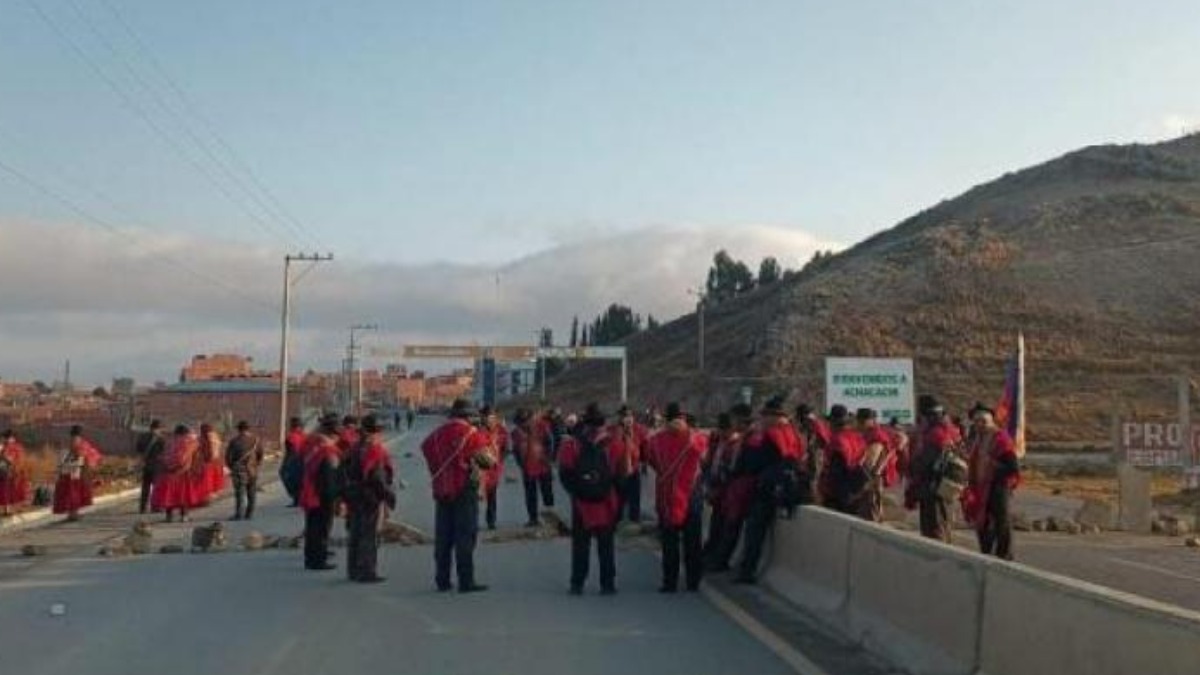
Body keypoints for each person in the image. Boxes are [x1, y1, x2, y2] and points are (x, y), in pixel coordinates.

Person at [421, 399, 494, 593]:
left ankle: (442, 579)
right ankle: (466, 580)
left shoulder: (436, 435)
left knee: (443, 537)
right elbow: (488, 462)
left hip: (441, 490)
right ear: (469, 416)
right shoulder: (471, 434)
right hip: (464, 490)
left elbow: (426, 449)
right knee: (465, 536)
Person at [735, 397, 807, 584]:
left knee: (754, 530)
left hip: (769, 488)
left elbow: (754, 463)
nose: (764, 420)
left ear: (775, 416)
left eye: (766, 416)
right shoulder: (796, 434)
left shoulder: (771, 435)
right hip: (789, 487)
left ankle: (747, 571)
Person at [559, 403, 624, 595]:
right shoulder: (614, 444)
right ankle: (608, 583)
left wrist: (577, 492)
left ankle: (577, 583)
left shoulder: (571, 444)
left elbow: (565, 474)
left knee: (580, 545)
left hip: (581, 503)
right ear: (603, 422)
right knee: (606, 545)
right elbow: (622, 475)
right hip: (606, 501)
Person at [645, 402, 708, 593]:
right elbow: (705, 461)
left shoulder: (655, 441)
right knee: (692, 541)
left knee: (669, 542)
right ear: (684, 417)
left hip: (666, 495)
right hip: (691, 494)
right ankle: (692, 581)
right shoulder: (697, 438)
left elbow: (652, 462)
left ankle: (669, 582)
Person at [962, 406, 1020, 559]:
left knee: (1002, 521)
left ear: (991, 421)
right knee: (982, 523)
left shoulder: (1001, 439)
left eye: (983, 421)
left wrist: (992, 466)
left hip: (998, 486)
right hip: (981, 487)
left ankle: (1005, 556)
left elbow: (1013, 468)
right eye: (977, 422)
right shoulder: (978, 438)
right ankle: (987, 553)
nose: (980, 425)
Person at [344, 415, 396, 582]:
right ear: (376, 431)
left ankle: (353, 570)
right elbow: (377, 477)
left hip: (353, 494)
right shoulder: (374, 449)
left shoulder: (354, 448)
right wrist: (388, 495)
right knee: (369, 535)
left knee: (355, 533)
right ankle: (367, 571)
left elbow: (343, 470)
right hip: (369, 497)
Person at [703, 405, 755, 571]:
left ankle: (720, 560)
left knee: (729, 527)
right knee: (718, 525)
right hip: (726, 492)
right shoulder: (722, 443)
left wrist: (719, 487)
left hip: (734, 492)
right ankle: (712, 555)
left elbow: (732, 469)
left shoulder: (740, 442)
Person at [906, 397, 963, 543]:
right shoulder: (950, 430)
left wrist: (913, 472)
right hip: (943, 487)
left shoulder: (935, 434)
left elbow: (926, 464)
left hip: (933, 488)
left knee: (935, 530)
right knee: (943, 525)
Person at [300, 415, 342, 570]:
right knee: (322, 528)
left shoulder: (312, 444)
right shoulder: (328, 451)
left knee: (312, 527)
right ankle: (318, 559)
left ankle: (310, 557)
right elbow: (329, 478)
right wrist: (335, 497)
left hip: (310, 491)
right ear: (333, 435)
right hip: (321, 496)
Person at [819, 405, 867, 516]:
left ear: (834, 423)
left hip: (839, 495)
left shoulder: (837, 440)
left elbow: (836, 472)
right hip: (856, 490)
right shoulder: (858, 438)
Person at [511, 408, 555, 526]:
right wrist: (521, 464)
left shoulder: (541, 426)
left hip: (542, 464)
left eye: (525, 421)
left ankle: (551, 514)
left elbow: (550, 442)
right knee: (530, 494)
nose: (523, 424)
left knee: (547, 491)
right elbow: (515, 450)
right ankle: (533, 518)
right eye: (520, 422)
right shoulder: (516, 433)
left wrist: (548, 458)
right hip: (528, 467)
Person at [608, 405, 648, 523]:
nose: (628, 418)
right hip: (618, 471)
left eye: (630, 416)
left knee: (634, 497)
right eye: (625, 416)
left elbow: (645, 446)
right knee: (619, 498)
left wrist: (645, 462)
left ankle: (634, 520)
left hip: (634, 468)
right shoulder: (613, 430)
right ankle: (616, 519)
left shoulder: (639, 430)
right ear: (620, 417)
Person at [53, 425, 102, 521]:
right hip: (75, 470)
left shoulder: (71, 441)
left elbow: (70, 453)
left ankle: (72, 514)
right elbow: (79, 454)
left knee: (71, 493)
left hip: (69, 470)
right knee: (74, 493)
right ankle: (73, 514)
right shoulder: (79, 441)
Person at [478, 406, 509, 530]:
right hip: (480, 468)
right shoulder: (477, 430)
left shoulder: (501, 430)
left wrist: (500, 460)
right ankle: (473, 521)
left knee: (492, 496)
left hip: (494, 468)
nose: (490, 420)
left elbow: (506, 447)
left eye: (492, 417)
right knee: (477, 496)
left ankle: (491, 521)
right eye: (487, 417)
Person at [225, 421, 264, 521]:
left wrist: (232, 467)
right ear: (248, 429)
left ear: (238, 429)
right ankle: (249, 513)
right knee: (251, 492)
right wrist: (256, 465)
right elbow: (260, 455)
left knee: (239, 493)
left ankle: (239, 514)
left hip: (238, 470)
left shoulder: (234, 441)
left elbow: (228, 458)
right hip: (252, 470)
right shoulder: (256, 440)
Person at [134, 420, 166, 514]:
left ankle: (143, 507)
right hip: (156, 465)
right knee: (156, 487)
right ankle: (155, 506)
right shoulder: (161, 439)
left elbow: (138, 450)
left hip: (146, 464)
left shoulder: (143, 437)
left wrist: (141, 461)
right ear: (159, 428)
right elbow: (163, 453)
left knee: (145, 487)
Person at [0, 429, 30, 517]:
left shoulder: (14, 447)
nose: (4, 440)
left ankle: (11, 508)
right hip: (7, 471)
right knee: (7, 490)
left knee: (10, 490)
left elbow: (16, 459)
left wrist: (5, 457)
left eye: (5, 438)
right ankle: (9, 508)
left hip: (12, 471)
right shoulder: (6, 446)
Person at [196, 423, 226, 505]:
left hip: (206, 462)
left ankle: (204, 499)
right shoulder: (215, 437)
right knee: (211, 482)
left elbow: (207, 451)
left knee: (204, 481)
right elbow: (218, 451)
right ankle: (208, 498)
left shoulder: (204, 438)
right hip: (215, 462)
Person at [281, 417, 307, 507]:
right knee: (300, 480)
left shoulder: (291, 436)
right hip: (304, 460)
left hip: (294, 459)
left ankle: (296, 498)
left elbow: (292, 450)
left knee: (287, 477)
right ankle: (299, 498)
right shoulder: (304, 436)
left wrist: (288, 462)